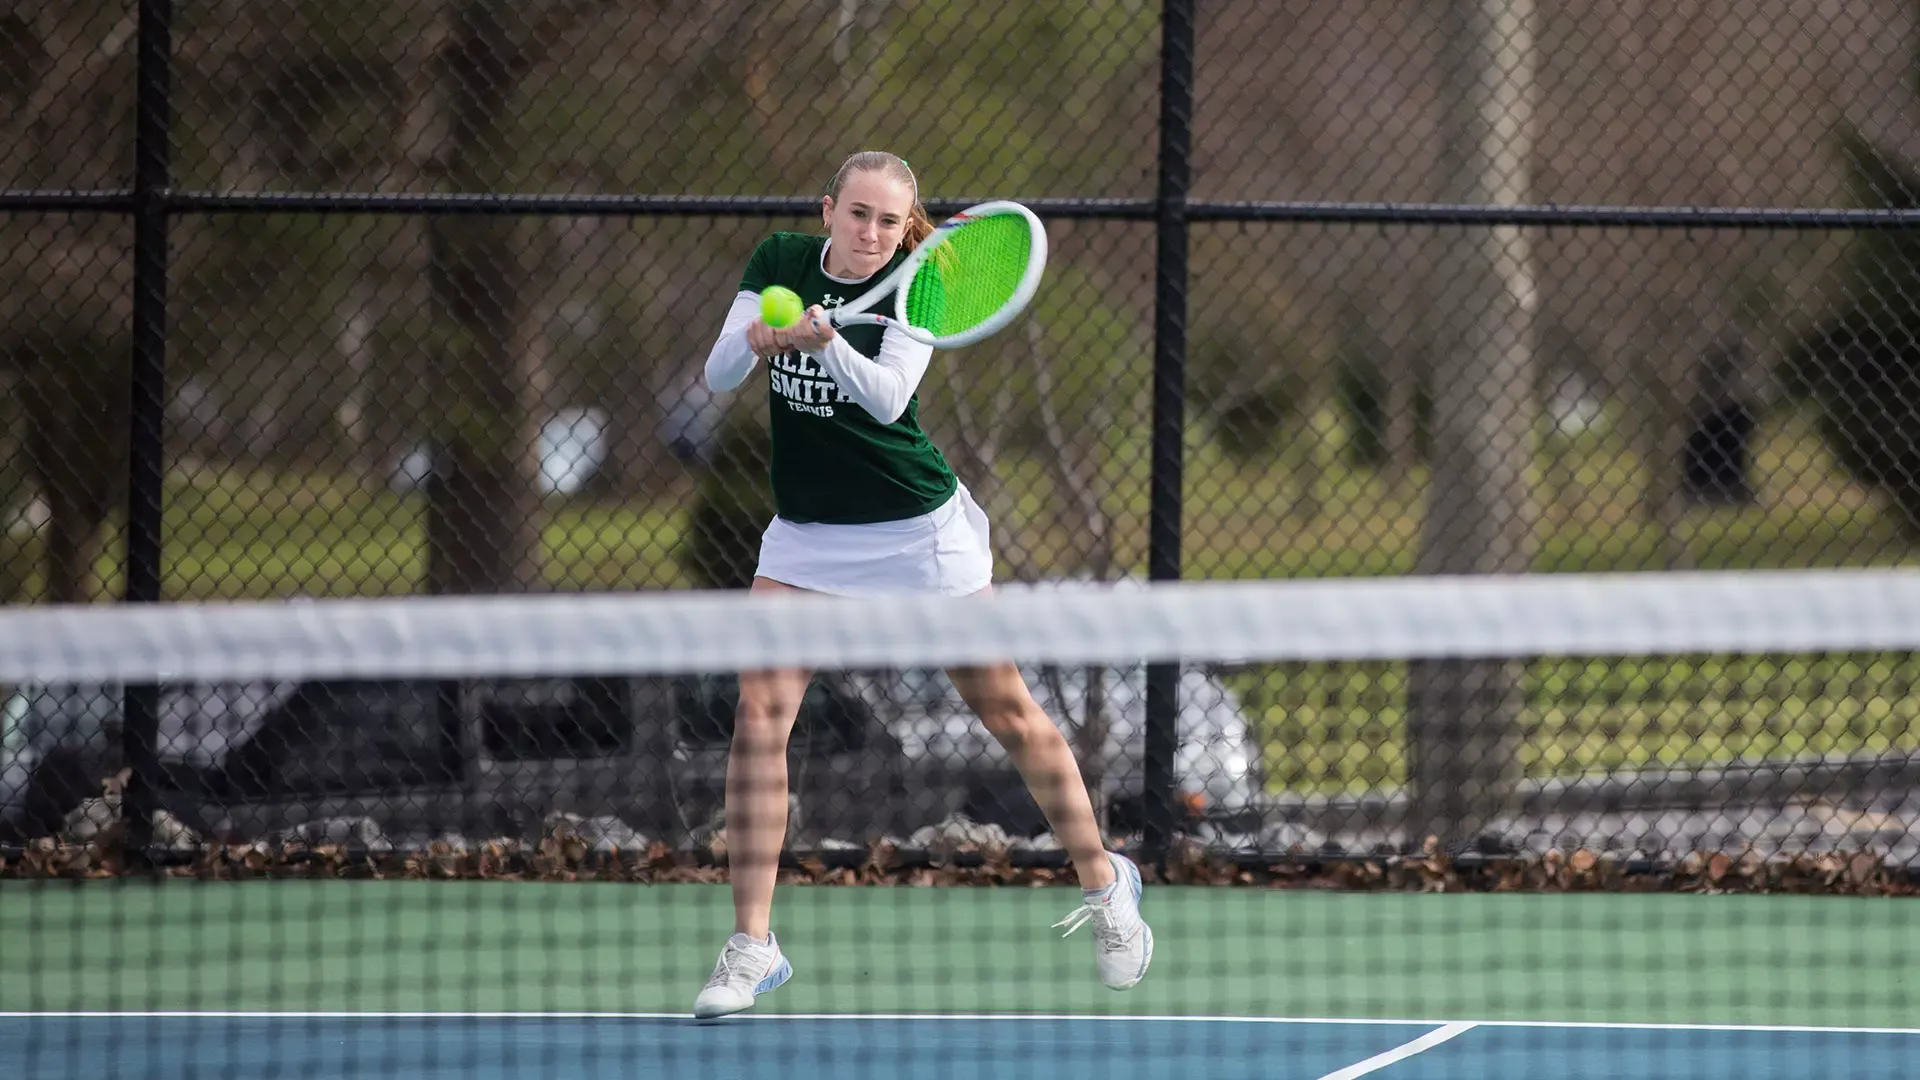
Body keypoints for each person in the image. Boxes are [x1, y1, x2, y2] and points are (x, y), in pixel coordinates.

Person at [690, 150, 1153, 1019]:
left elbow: (888, 401)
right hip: (807, 538)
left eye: (887, 222)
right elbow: (716, 376)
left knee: (1006, 710)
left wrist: (824, 344)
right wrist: (754, 344)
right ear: (828, 209)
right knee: (759, 718)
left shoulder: (920, 285)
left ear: (908, 229)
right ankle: (753, 944)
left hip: (917, 533)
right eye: (856, 214)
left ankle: (1107, 883)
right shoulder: (777, 263)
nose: (870, 234)